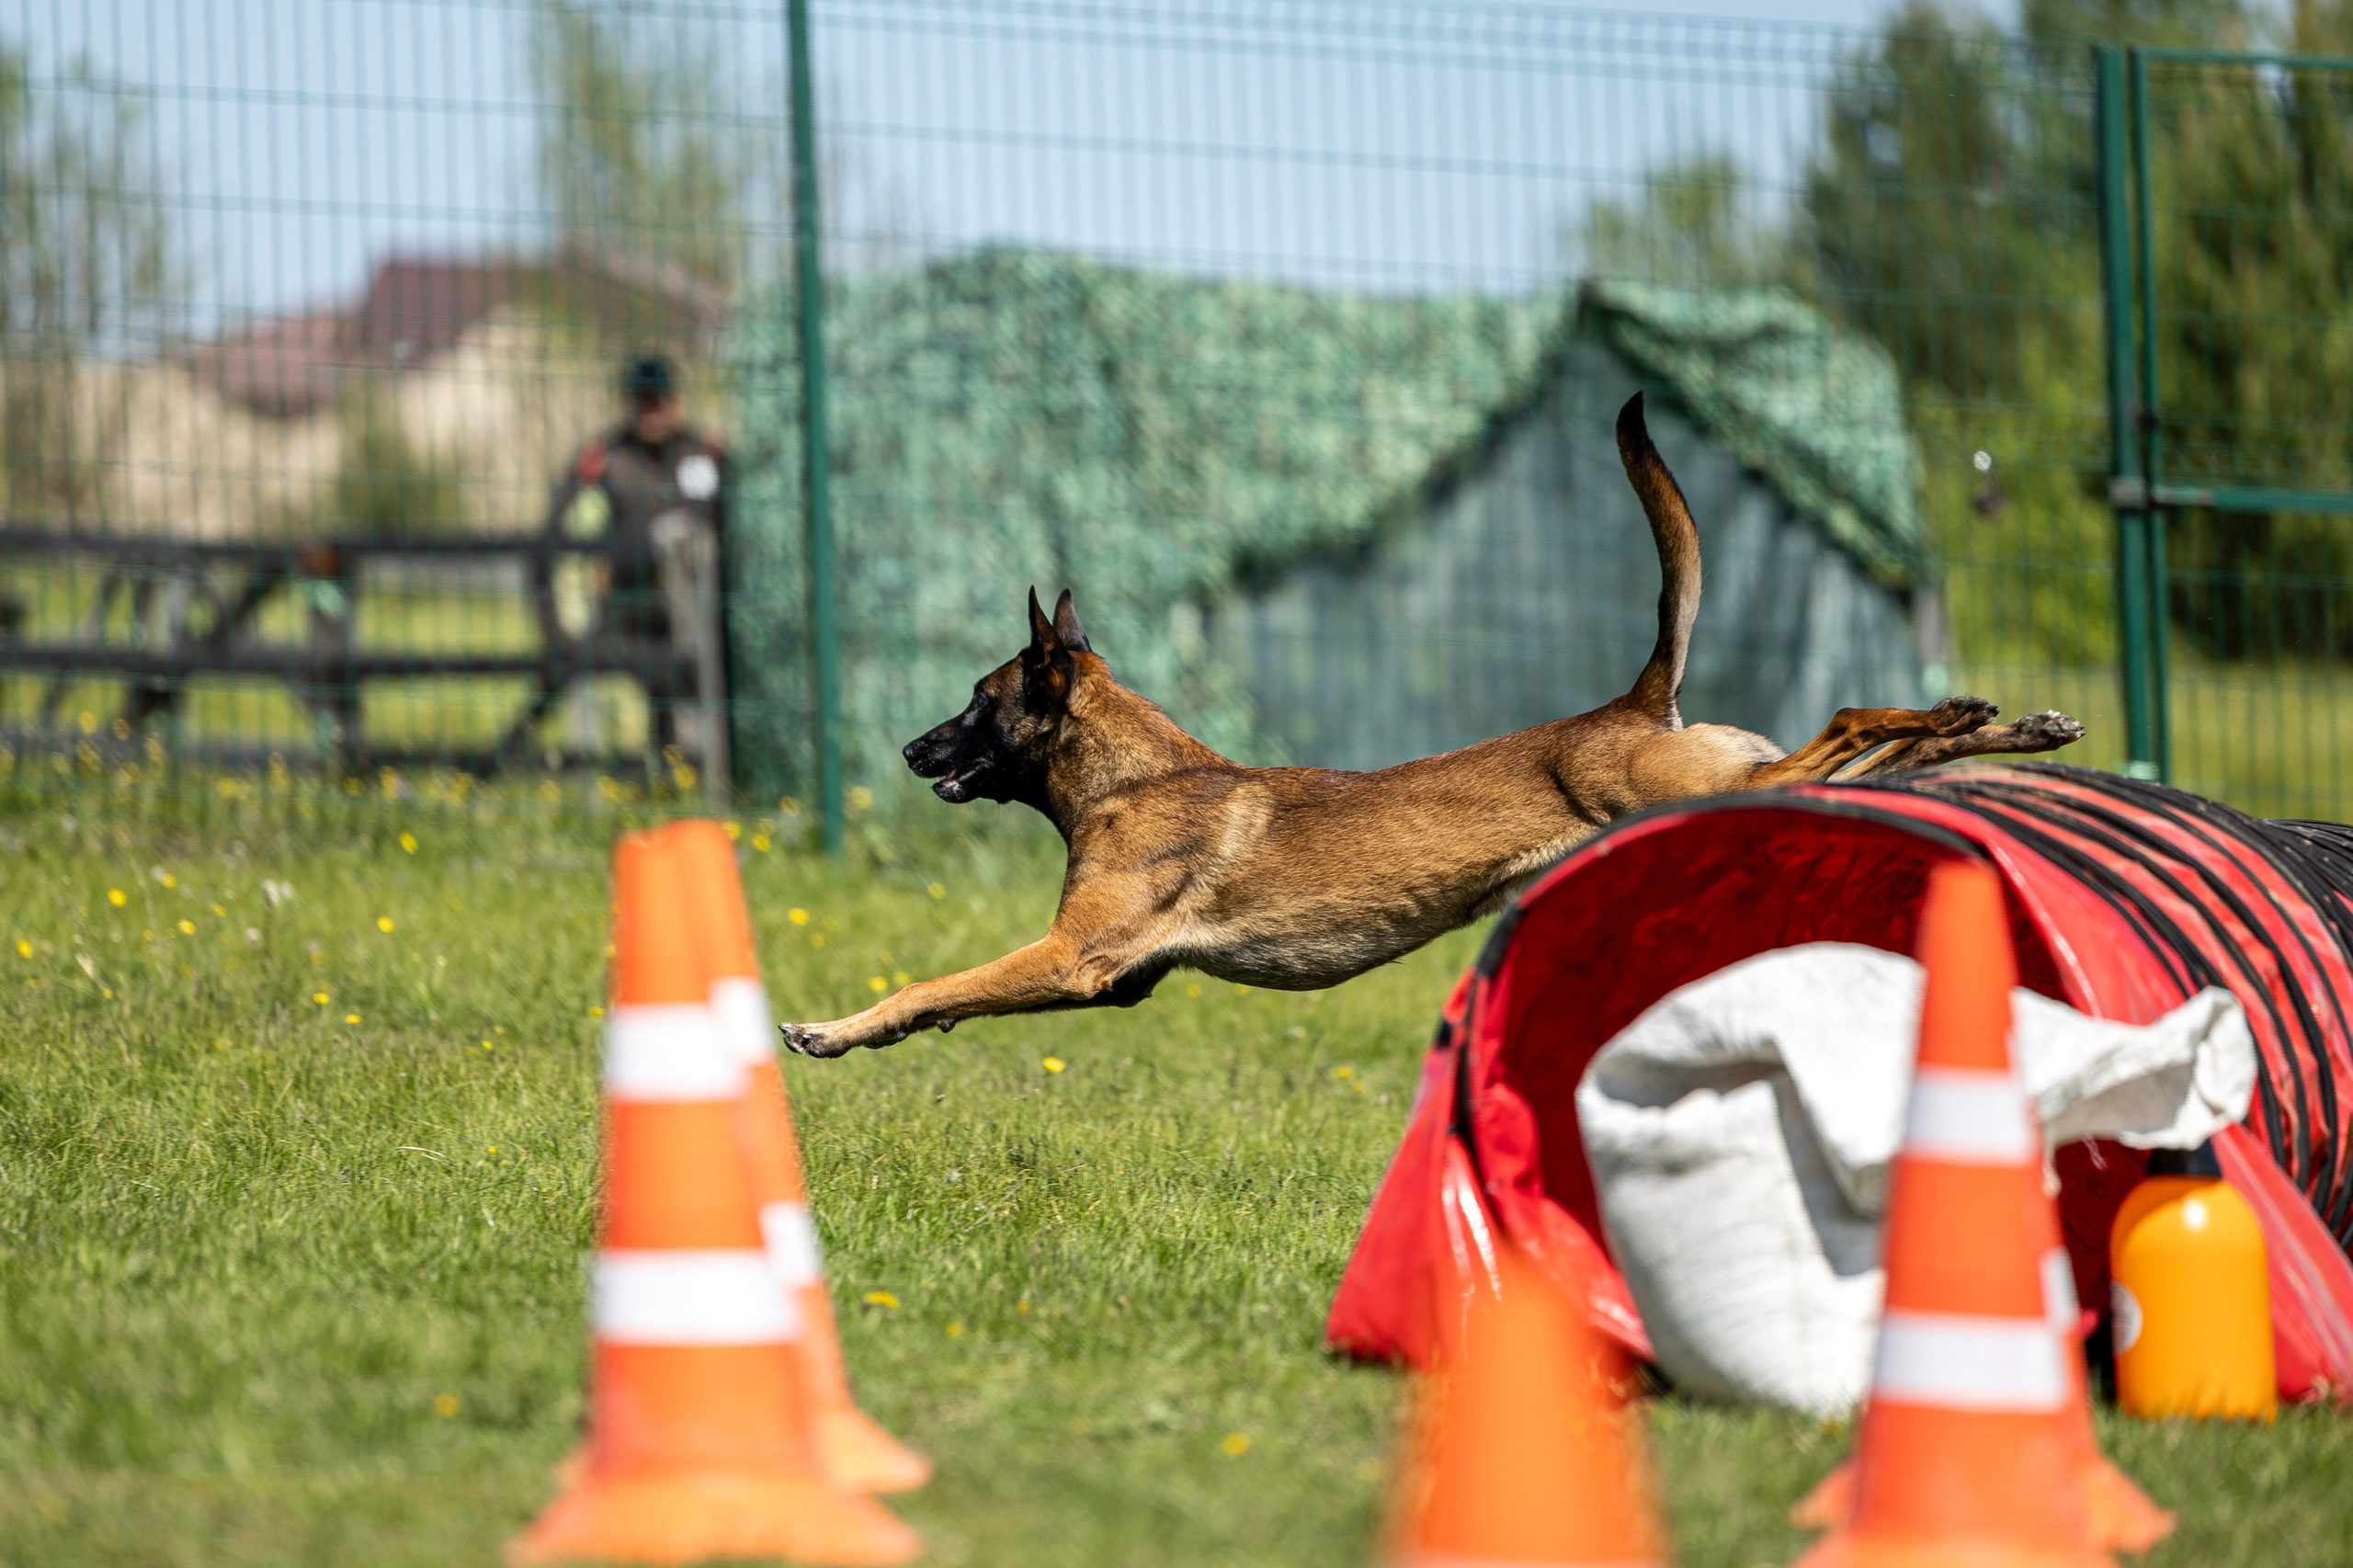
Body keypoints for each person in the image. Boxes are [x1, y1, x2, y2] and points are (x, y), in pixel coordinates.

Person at [540, 354, 732, 759]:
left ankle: (697, 763)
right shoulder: (604, 456)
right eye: (642, 400)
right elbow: (556, 525)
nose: (652, 411)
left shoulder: (705, 453)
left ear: (676, 400)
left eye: (659, 399)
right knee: (578, 672)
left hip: (693, 606)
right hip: (625, 604)